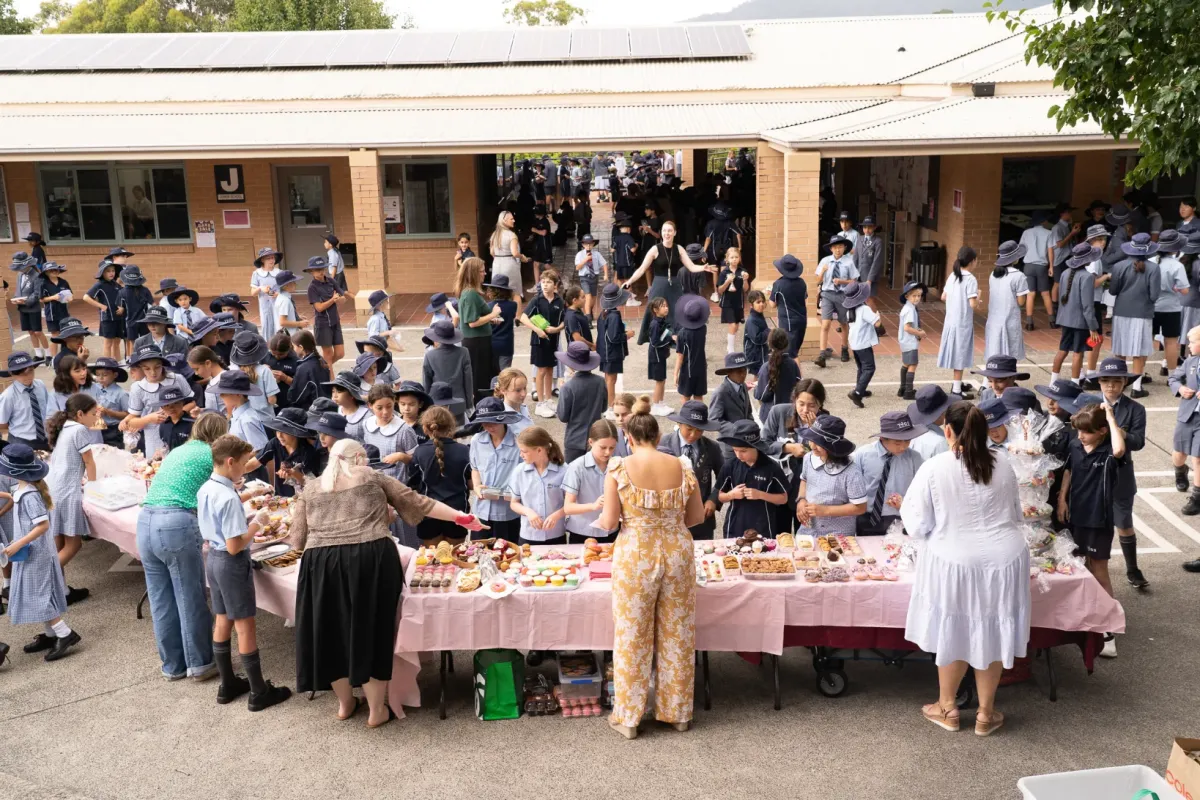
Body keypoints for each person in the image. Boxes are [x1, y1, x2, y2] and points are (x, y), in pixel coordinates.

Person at [292, 438, 482, 726]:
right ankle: (376, 711)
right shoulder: (371, 477)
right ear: (359, 459)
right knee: (370, 631)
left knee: (330, 633)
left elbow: (297, 540)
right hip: (369, 558)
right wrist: (461, 517)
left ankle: (345, 704)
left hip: (321, 563)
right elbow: (418, 502)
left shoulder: (312, 487)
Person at [901, 401, 1030, 737]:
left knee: (954, 630)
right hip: (1005, 558)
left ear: (948, 431)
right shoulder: (1003, 463)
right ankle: (986, 713)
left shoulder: (934, 468)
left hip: (955, 559)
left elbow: (916, 524)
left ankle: (947, 707)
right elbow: (1015, 512)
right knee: (993, 630)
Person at [595, 398, 704, 739]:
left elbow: (609, 522)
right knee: (678, 633)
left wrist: (605, 514)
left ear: (628, 438)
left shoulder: (619, 468)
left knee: (632, 634)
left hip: (637, 553)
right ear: (658, 437)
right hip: (677, 550)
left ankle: (629, 718)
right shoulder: (682, 466)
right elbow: (696, 517)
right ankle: (678, 714)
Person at [197, 435, 293, 711]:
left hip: (213, 560)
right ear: (230, 462)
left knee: (222, 619)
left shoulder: (207, 487)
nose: (246, 468)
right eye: (243, 463)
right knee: (245, 625)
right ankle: (258, 690)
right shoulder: (228, 497)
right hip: (231, 562)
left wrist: (248, 499)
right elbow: (235, 545)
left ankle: (228, 683)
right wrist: (257, 524)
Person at [135, 412, 230, 680]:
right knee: (190, 596)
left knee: (161, 599)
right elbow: (220, 497)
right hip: (175, 523)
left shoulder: (179, 451)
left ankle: (173, 666)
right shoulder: (211, 455)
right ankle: (200, 663)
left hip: (146, 521)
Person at [1, 445, 82, 662]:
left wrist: (19, 543)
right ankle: (50, 634)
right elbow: (25, 519)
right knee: (38, 592)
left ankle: (65, 633)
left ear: (14, 472)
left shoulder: (29, 496)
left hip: (37, 554)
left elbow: (43, 525)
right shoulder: (22, 491)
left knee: (39, 595)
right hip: (30, 553)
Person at [1058, 402, 1127, 599]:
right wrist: (1062, 499)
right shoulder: (1075, 446)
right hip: (1075, 516)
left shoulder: (1109, 452)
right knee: (1078, 568)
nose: (1080, 436)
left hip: (1098, 520)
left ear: (1102, 431)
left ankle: (1109, 615)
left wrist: (1111, 417)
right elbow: (1068, 471)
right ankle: (1085, 610)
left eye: (1086, 432)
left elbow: (1119, 450)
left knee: (1098, 571)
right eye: (1078, 431)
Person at [1094, 358, 1150, 595]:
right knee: (1090, 523)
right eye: (1106, 381)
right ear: (1099, 382)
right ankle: (1090, 567)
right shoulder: (1088, 404)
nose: (1111, 386)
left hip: (1120, 473)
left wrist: (1117, 429)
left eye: (1116, 381)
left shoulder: (1135, 409)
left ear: (1125, 382)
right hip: (1092, 474)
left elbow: (1138, 442)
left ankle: (1133, 569)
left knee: (1124, 523)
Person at [45, 394, 101, 605]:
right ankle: (45, 578)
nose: (96, 417)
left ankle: (61, 591)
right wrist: (95, 487)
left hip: (53, 489)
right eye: (93, 413)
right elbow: (89, 462)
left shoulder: (64, 428)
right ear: (80, 414)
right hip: (66, 492)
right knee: (73, 544)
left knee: (58, 543)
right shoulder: (79, 429)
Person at [625, 220, 714, 345]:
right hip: (659, 285)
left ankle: (675, 339)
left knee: (676, 312)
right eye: (664, 231)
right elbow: (642, 269)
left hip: (675, 285)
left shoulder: (679, 249)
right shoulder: (655, 249)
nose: (667, 233)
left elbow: (691, 266)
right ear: (661, 232)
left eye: (670, 231)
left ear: (675, 233)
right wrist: (630, 281)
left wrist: (703, 268)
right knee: (655, 311)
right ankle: (655, 338)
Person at [657, 401, 722, 540]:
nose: (693, 434)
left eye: (699, 430)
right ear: (679, 424)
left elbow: (723, 477)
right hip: (669, 518)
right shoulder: (662, 444)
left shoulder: (712, 447)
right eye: (689, 429)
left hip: (702, 519)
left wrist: (713, 499)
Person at [407, 406, 472, 545]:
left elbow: (413, 484)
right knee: (456, 555)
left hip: (429, 511)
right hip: (457, 510)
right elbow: (470, 483)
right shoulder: (464, 451)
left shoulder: (419, 452)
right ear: (451, 427)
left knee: (432, 557)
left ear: (425, 428)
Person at [853, 410, 925, 536]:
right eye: (897, 442)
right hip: (868, 516)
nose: (903, 447)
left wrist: (905, 502)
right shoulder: (863, 455)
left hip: (900, 517)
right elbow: (853, 487)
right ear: (882, 438)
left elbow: (921, 489)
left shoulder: (915, 458)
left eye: (907, 441)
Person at [716, 419, 790, 538]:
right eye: (735, 450)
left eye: (743, 451)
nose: (738, 455)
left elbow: (783, 498)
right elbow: (720, 496)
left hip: (763, 526)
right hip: (735, 525)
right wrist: (731, 495)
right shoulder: (730, 465)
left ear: (756, 447)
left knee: (762, 550)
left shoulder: (772, 467)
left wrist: (760, 495)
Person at [796, 415, 868, 536]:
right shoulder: (809, 458)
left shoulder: (851, 471)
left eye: (818, 443)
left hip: (839, 534)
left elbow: (860, 507)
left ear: (833, 446)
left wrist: (825, 510)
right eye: (811, 440)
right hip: (808, 529)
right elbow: (804, 479)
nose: (812, 446)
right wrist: (801, 500)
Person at [1109, 232, 1162, 397]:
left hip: (1121, 310)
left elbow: (1112, 290)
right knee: (1138, 352)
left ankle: (1120, 383)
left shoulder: (1119, 266)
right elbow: (1154, 295)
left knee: (1120, 350)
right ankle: (1137, 387)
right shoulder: (1154, 268)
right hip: (1142, 312)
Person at [122, 344, 195, 458]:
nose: (153, 372)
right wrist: (149, 418)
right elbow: (132, 421)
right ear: (141, 367)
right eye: (147, 369)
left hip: (182, 434)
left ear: (162, 364)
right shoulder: (137, 388)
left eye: (157, 367)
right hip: (153, 438)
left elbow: (192, 403)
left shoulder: (178, 379)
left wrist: (174, 412)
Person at [468, 397, 523, 543]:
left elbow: (527, 473)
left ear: (503, 419)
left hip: (508, 512)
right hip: (481, 510)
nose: (489, 427)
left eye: (493, 422)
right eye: (485, 423)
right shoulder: (476, 440)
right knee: (478, 551)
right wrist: (477, 486)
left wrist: (517, 492)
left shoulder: (518, 442)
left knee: (508, 552)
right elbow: (475, 468)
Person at [1051, 243, 1103, 385]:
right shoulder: (1087, 277)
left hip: (1065, 319)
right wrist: (1093, 327)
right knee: (1078, 353)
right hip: (1080, 321)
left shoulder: (1064, 273)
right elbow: (1087, 306)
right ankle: (1075, 384)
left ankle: (1052, 382)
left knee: (1062, 350)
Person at [563, 419, 620, 545]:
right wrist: (593, 506)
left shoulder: (618, 465)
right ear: (590, 442)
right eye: (603, 447)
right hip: (582, 533)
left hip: (611, 531)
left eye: (612, 448)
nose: (608, 452)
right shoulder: (577, 467)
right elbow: (568, 507)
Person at [509, 426, 568, 546]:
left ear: (539, 450)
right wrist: (528, 512)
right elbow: (514, 503)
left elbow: (571, 503)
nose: (521, 455)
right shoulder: (519, 471)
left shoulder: (564, 470)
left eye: (524, 451)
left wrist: (557, 515)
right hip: (528, 535)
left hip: (556, 534)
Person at [519, 270, 566, 418]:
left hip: (553, 341)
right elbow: (523, 317)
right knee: (541, 371)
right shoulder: (536, 300)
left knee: (550, 370)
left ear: (555, 285)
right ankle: (540, 404)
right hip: (539, 341)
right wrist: (537, 330)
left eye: (549, 282)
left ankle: (548, 399)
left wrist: (556, 329)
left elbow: (565, 320)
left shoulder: (559, 301)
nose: (545, 285)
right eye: (543, 282)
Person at [936, 247, 981, 398]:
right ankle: (956, 390)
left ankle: (958, 384)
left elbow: (943, 296)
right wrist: (979, 297)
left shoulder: (953, 275)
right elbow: (973, 304)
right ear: (972, 261)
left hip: (950, 320)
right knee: (960, 354)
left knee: (957, 352)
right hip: (962, 322)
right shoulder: (971, 279)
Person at [456, 256, 501, 400]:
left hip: (478, 341)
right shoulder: (470, 294)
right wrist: (493, 314)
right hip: (476, 343)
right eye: (481, 271)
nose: (484, 273)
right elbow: (472, 322)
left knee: (484, 376)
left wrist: (490, 319)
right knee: (479, 378)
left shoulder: (470, 292)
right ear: (474, 273)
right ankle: (480, 405)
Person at [555, 341, 608, 463]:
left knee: (573, 472)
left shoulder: (568, 387)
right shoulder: (600, 381)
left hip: (574, 439)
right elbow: (604, 408)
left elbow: (563, 416)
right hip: (595, 437)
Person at [814, 236, 858, 368]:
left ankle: (844, 349)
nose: (838, 250)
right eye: (835, 247)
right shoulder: (825, 261)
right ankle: (822, 354)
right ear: (831, 249)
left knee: (843, 323)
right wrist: (822, 272)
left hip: (843, 295)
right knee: (825, 324)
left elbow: (854, 281)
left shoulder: (849, 262)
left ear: (844, 248)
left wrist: (842, 281)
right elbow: (817, 281)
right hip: (827, 294)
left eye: (840, 247)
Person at [362, 385, 419, 483]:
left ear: (394, 402)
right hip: (374, 482)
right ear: (370, 405)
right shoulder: (367, 424)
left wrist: (401, 456)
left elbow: (416, 460)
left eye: (389, 406)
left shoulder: (404, 430)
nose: (385, 412)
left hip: (397, 484)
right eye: (379, 408)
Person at [1152, 229, 1189, 377]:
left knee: (1146, 341)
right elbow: (1184, 290)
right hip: (1172, 307)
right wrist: (1176, 288)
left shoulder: (1151, 261)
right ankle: (1172, 376)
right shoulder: (1177, 265)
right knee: (1171, 342)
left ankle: (1138, 378)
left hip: (1151, 306)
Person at [1172, 326, 1200, 511]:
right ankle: (1180, 470)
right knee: (1179, 453)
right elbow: (1174, 379)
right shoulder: (1190, 362)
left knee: (1198, 457)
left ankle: (1197, 497)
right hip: (1188, 414)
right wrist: (1181, 389)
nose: (1188, 345)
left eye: (1192, 342)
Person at [987, 241, 1032, 359]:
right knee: (1010, 356)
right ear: (1015, 258)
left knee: (994, 354)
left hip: (993, 321)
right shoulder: (1019, 276)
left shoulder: (993, 274)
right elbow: (1021, 302)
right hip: (1010, 321)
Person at [0, 351, 51, 451]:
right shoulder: (8, 396)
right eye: (21, 373)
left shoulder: (40, 385)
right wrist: (20, 426)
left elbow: (47, 407)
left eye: (30, 371)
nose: (27, 376)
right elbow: (2, 422)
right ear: (12, 374)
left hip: (45, 438)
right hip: (21, 440)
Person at [843, 281, 880, 409]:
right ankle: (857, 393)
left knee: (861, 368)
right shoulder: (864, 309)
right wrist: (877, 313)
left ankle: (860, 389)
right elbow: (877, 324)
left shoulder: (849, 311)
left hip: (854, 343)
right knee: (869, 368)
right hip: (863, 344)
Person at [304, 256, 346, 367]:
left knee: (340, 353)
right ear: (311, 272)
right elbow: (319, 308)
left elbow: (343, 298)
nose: (321, 272)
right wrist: (332, 300)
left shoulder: (331, 281)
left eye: (322, 269)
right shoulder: (312, 287)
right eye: (317, 270)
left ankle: (321, 368)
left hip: (335, 321)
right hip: (323, 324)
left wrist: (340, 299)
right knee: (328, 355)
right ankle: (328, 374)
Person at [596, 283, 632, 411]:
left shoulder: (603, 313)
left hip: (604, 351)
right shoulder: (614, 316)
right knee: (611, 380)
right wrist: (627, 335)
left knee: (609, 378)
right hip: (611, 353)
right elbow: (613, 337)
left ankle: (608, 405)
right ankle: (611, 407)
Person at [10, 253, 51, 361]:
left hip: (33, 307)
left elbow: (37, 293)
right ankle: (38, 354)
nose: (19, 269)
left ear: (27, 264)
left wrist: (26, 301)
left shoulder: (36, 275)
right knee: (30, 331)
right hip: (22, 307)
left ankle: (48, 354)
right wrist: (16, 298)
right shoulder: (19, 275)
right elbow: (18, 290)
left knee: (37, 331)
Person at [1017, 214, 1055, 329]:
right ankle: (1052, 321)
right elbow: (1050, 251)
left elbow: (1021, 249)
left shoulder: (1026, 233)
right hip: (1041, 266)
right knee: (1045, 293)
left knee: (1030, 294)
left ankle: (1029, 323)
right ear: (1043, 222)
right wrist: (1051, 266)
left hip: (1028, 265)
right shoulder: (1049, 233)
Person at [84, 259, 123, 360]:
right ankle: (107, 364)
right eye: (108, 271)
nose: (111, 273)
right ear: (102, 273)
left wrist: (121, 307)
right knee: (108, 343)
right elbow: (86, 297)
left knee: (117, 342)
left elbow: (121, 298)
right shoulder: (99, 285)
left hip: (118, 317)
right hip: (107, 319)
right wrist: (101, 306)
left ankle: (118, 362)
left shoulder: (116, 285)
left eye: (113, 270)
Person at [674, 294, 710, 403]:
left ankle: (686, 414)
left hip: (687, 370)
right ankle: (700, 413)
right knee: (699, 397)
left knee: (686, 397)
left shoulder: (682, 334)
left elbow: (680, 356)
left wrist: (675, 373)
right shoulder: (703, 329)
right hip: (701, 368)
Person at [87, 356, 129, 447]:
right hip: (95, 427)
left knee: (112, 453)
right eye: (98, 375)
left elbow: (128, 414)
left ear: (115, 375)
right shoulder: (94, 388)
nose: (101, 378)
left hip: (113, 430)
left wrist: (108, 412)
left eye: (105, 375)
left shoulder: (121, 393)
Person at [286, 330, 330, 413]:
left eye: (294, 346)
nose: (293, 349)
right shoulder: (321, 360)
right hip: (325, 406)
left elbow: (295, 396)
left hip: (312, 410)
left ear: (301, 347)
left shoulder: (304, 368)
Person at [490, 210, 530, 297]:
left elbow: (492, 252)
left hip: (496, 264)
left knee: (498, 292)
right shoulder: (511, 235)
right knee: (514, 292)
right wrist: (522, 257)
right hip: (509, 264)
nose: (514, 221)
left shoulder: (494, 234)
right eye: (511, 219)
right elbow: (515, 253)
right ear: (504, 221)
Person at [117, 265, 154, 360]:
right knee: (146, 343)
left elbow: (120, 309)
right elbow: (153, 305)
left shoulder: (122, 292)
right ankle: (147, 358)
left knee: (133, 343)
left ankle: (134, 360)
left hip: (130, 322)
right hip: (144, 321)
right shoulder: (145, 290)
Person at [717, 247, 749, 354]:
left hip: (738, 302)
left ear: (739, 258)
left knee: (736, 326)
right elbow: (720, 290)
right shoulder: (724, 272)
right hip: (727, 302)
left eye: (736, 257)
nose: (734, 259)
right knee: (733, 325)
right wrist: (727, 281)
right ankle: (730, 349)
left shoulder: (742, 271)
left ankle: (730, 343)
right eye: (732, 257)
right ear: (727, 259)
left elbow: (745, 289)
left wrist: (745, 280)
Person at [484, 274, 518, 373]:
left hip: (492, 343)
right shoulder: (513, 305)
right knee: (505, 374)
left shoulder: (488, 306)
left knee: (492, 373)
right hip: (506, 344)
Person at [647, 296, 675, 415]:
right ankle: (656, 406)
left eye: (666, 306)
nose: (666, 308)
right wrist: (670, 339)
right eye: (663, 306)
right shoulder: (655, 324)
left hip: (661, 356)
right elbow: (655, 342)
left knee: (662, 380)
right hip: (656, 357)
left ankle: (661, 403)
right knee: (659, 381)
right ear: (655, 310)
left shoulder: (661, 321)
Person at [248, 247, 282, 342]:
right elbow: (253, 293)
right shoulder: (257, 273)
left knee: (279, 325)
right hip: (265, 306)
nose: (272, 260)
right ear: (262, 260)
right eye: (268, 258)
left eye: (273, 257)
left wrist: (279, 294)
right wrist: (260, 288)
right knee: (267, 325)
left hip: (279, 304)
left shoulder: (280, 273)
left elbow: (286, 289)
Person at [855, 216, 886, 315]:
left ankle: (877, 321)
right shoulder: (859, 239)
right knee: (859, 300)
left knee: (869, 299)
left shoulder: (877, 241)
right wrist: (853, 274)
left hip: (870, 276)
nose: (867, 230)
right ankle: (862, 321)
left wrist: (869, 279)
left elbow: (877, 261)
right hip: (859, 275)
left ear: (874, 227)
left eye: (869, 227)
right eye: (865, 227)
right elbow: (855, 258)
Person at [38, 262, 72, 348]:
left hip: (63, 312)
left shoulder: (64, 282)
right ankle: (54, 356)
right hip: (51, 313)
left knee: (65, 333)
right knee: (55, 335)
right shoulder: (43, 284)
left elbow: (70, 295)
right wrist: (53, 297)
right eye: (51, 270)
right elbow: (41, 299)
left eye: (56, 270)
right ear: (46, 272)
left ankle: (65, 353)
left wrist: (70, 298)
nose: (54, 271)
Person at [575, 234, 607, 319]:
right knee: (588, 296)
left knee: (593, 297)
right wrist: (585, 259)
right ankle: (588, 317)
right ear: (583, 245)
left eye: (590, 244)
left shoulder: (597, 254)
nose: (588, 246)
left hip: (594, 277)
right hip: (584, 278)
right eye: (586, 244)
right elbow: (577, 267)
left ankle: (589, 310)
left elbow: (604, 264)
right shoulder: (579, 254)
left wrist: (606, 274)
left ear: (593, 244)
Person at [494, 367, 533, 436]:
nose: (523, 394)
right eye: (518, 390)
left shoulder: (523, 407)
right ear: (503, 390)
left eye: (524, 388)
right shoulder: (503, 419)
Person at [157, 387, 195, 452]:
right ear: (162, 407)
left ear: (182, 403)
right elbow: (165, 445)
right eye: (167, 405)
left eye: (175, 403)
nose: (171, 408)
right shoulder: (163, 425)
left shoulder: (193, 424)